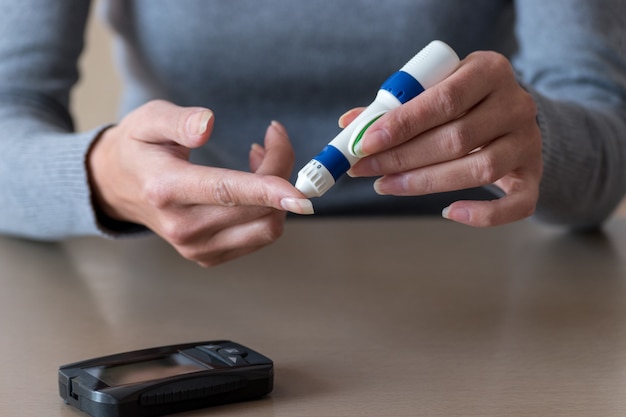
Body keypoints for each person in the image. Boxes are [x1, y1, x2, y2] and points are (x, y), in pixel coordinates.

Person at [0, 1, 624, 267]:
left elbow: (606, 150)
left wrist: (531, 139)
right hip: (166, 282)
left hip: (475, 290)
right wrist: (102, 176)